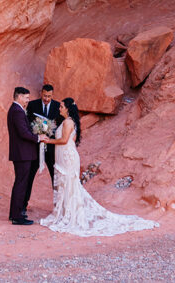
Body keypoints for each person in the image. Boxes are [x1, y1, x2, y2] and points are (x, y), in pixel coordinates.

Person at [40, 97, 159, 236]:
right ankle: (66, 212)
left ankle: (70, 214)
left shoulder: (68, 122)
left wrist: (49, 141)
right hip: (65, 155)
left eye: (61, 106)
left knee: (69, 183)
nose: (59, 108)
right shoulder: (68, 122)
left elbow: (65, 140)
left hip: (67, 157)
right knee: (66, 184)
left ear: (67, 108)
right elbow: (72, 140)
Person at [6, 86, 46, 225]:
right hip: (22, 154)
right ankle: (17, 217)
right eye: (27, 97)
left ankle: (14, 214)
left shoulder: (16, 110)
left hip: (21, 153)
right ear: (20, 97)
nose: (28, 100)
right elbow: (23, 133)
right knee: (21, 184)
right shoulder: (17, 111)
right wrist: (38, 138)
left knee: (20, 183)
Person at [26, 84, 61, 188]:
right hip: (35, 147)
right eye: (44, 95)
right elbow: (28, 123)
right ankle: (24, 203)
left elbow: (59, 126)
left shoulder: (57, 106)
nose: (46, 99)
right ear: (41, 93)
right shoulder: (32, 105)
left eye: (49, 96)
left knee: (55, 177)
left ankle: (57, 203)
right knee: (30, 176)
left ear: (52, 95)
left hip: (51, 148)